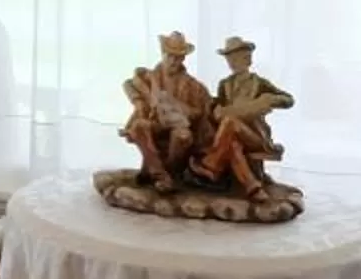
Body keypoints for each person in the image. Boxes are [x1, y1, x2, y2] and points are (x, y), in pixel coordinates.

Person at [196, 36, 294, 200]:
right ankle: (254, 188)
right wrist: (213, 107)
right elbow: (218, 107)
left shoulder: (259, 83)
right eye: (229, 58)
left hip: (254, 136)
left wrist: (269, 99)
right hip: (231, 136)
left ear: (247, 59)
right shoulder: (225, 84)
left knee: (230, 122)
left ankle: (211, 164)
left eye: (236, 57)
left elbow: (288, 99)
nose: (232, 62)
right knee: (233, 145)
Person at [123, 32, 213, 191]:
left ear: (183, 58)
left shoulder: (193, 85)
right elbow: (128, 84)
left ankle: (169, 172)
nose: (173, 61)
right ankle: (160, 175)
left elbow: (198, 112)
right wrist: (138, 102)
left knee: (183, 136)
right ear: (163, 53)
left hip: (177, 126)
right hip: (155, 123)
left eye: (178, 57)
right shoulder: (150, 76)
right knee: (139, 126)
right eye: (170, 55)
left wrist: (177, 106)